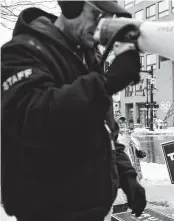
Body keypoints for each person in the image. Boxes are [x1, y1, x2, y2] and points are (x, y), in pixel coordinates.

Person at [1, 1, 146, 221]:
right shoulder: (21, 51)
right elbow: (34, 119)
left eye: (109, 20)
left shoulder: (89, 58)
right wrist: (106, 83)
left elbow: (104, 128)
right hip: (48, 210)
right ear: (71, 5)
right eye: (97, 15)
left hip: (92, 207)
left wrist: (127, 176)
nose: (101, 26)